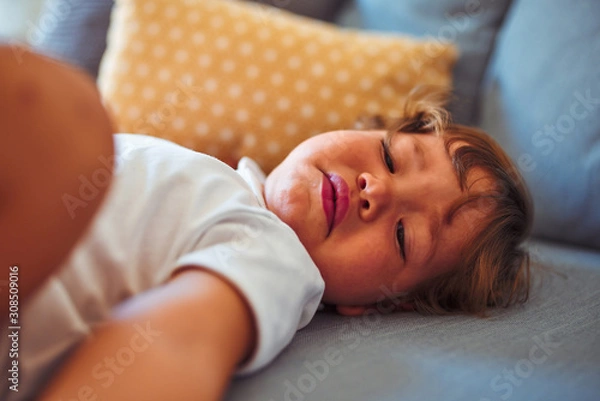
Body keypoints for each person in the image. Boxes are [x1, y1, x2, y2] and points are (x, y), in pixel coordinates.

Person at [0, 47, 532, 401]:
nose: (381, 190)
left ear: (378, 303)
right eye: (391, 158)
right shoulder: (226, 183)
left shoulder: (274, 255)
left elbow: (177, 342)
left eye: (402, 235)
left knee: (63, 111)